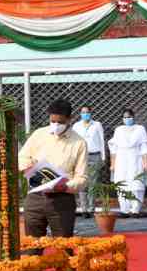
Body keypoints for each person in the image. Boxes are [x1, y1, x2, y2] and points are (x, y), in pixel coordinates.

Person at [18, 99, 88, 247]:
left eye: (60, 122)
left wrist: (66, 185)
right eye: (52, 121)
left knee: (64, 249)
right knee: (31, 248)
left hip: (62, 199)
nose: (55, 125)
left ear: (69, 119)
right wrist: (28, 165)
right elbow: (21, 157)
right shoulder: (39, 135)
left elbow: (82, 177)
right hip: (35, 197)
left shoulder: (79, 143)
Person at [108, 109, 147, 218]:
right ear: (122, 118)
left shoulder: (140, 129)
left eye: (129, 117)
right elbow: (114, 149)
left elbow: (144, 147)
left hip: (135, 158)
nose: (127, 119)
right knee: (122, 183)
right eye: (125, 117)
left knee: (136, 184)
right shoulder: (119, 130)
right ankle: (124, 209)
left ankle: (135, 209)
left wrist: (145, 163)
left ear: (133, 117)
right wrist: (113, 164)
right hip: (121, 159)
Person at [72, 105, 106, 218]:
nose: (85, 114)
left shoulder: (97, 125)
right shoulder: (76, 126)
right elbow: (73, 142)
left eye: (87, 112)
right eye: (83, 112)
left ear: (91, 113)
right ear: (80, 114)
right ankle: (84, 209)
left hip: (95, 155)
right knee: (82, 183)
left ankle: (91, 208)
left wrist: (103, 157)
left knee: (93, 183)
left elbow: (101, 140)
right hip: (81, 157)